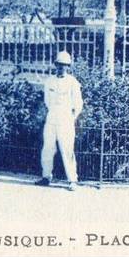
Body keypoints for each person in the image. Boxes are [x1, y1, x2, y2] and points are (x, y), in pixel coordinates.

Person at [36, 51, 84, 191]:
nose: (61, 68)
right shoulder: (49, 81)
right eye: (59, 65)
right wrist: (54, 113)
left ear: (68, 66)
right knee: (47, 149)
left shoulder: (72, 82)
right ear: (55, 65)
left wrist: (71, 118)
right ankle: (46, 177)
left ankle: (72, 180)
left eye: (64, 65)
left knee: (67, 150)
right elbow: (47, 101)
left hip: (66, 121)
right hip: (51, 119)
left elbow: (78, 104)